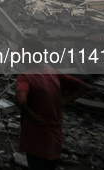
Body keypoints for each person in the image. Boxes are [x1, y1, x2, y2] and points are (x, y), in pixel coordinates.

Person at [15, 39, 87, 170]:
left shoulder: (25, 77)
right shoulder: (52, 71)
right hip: (54, 137)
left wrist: (30, 114)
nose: (17, 53)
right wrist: (61, 103)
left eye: (20, 49)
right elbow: (82, 86)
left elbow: (21, 100)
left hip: (37, 138)